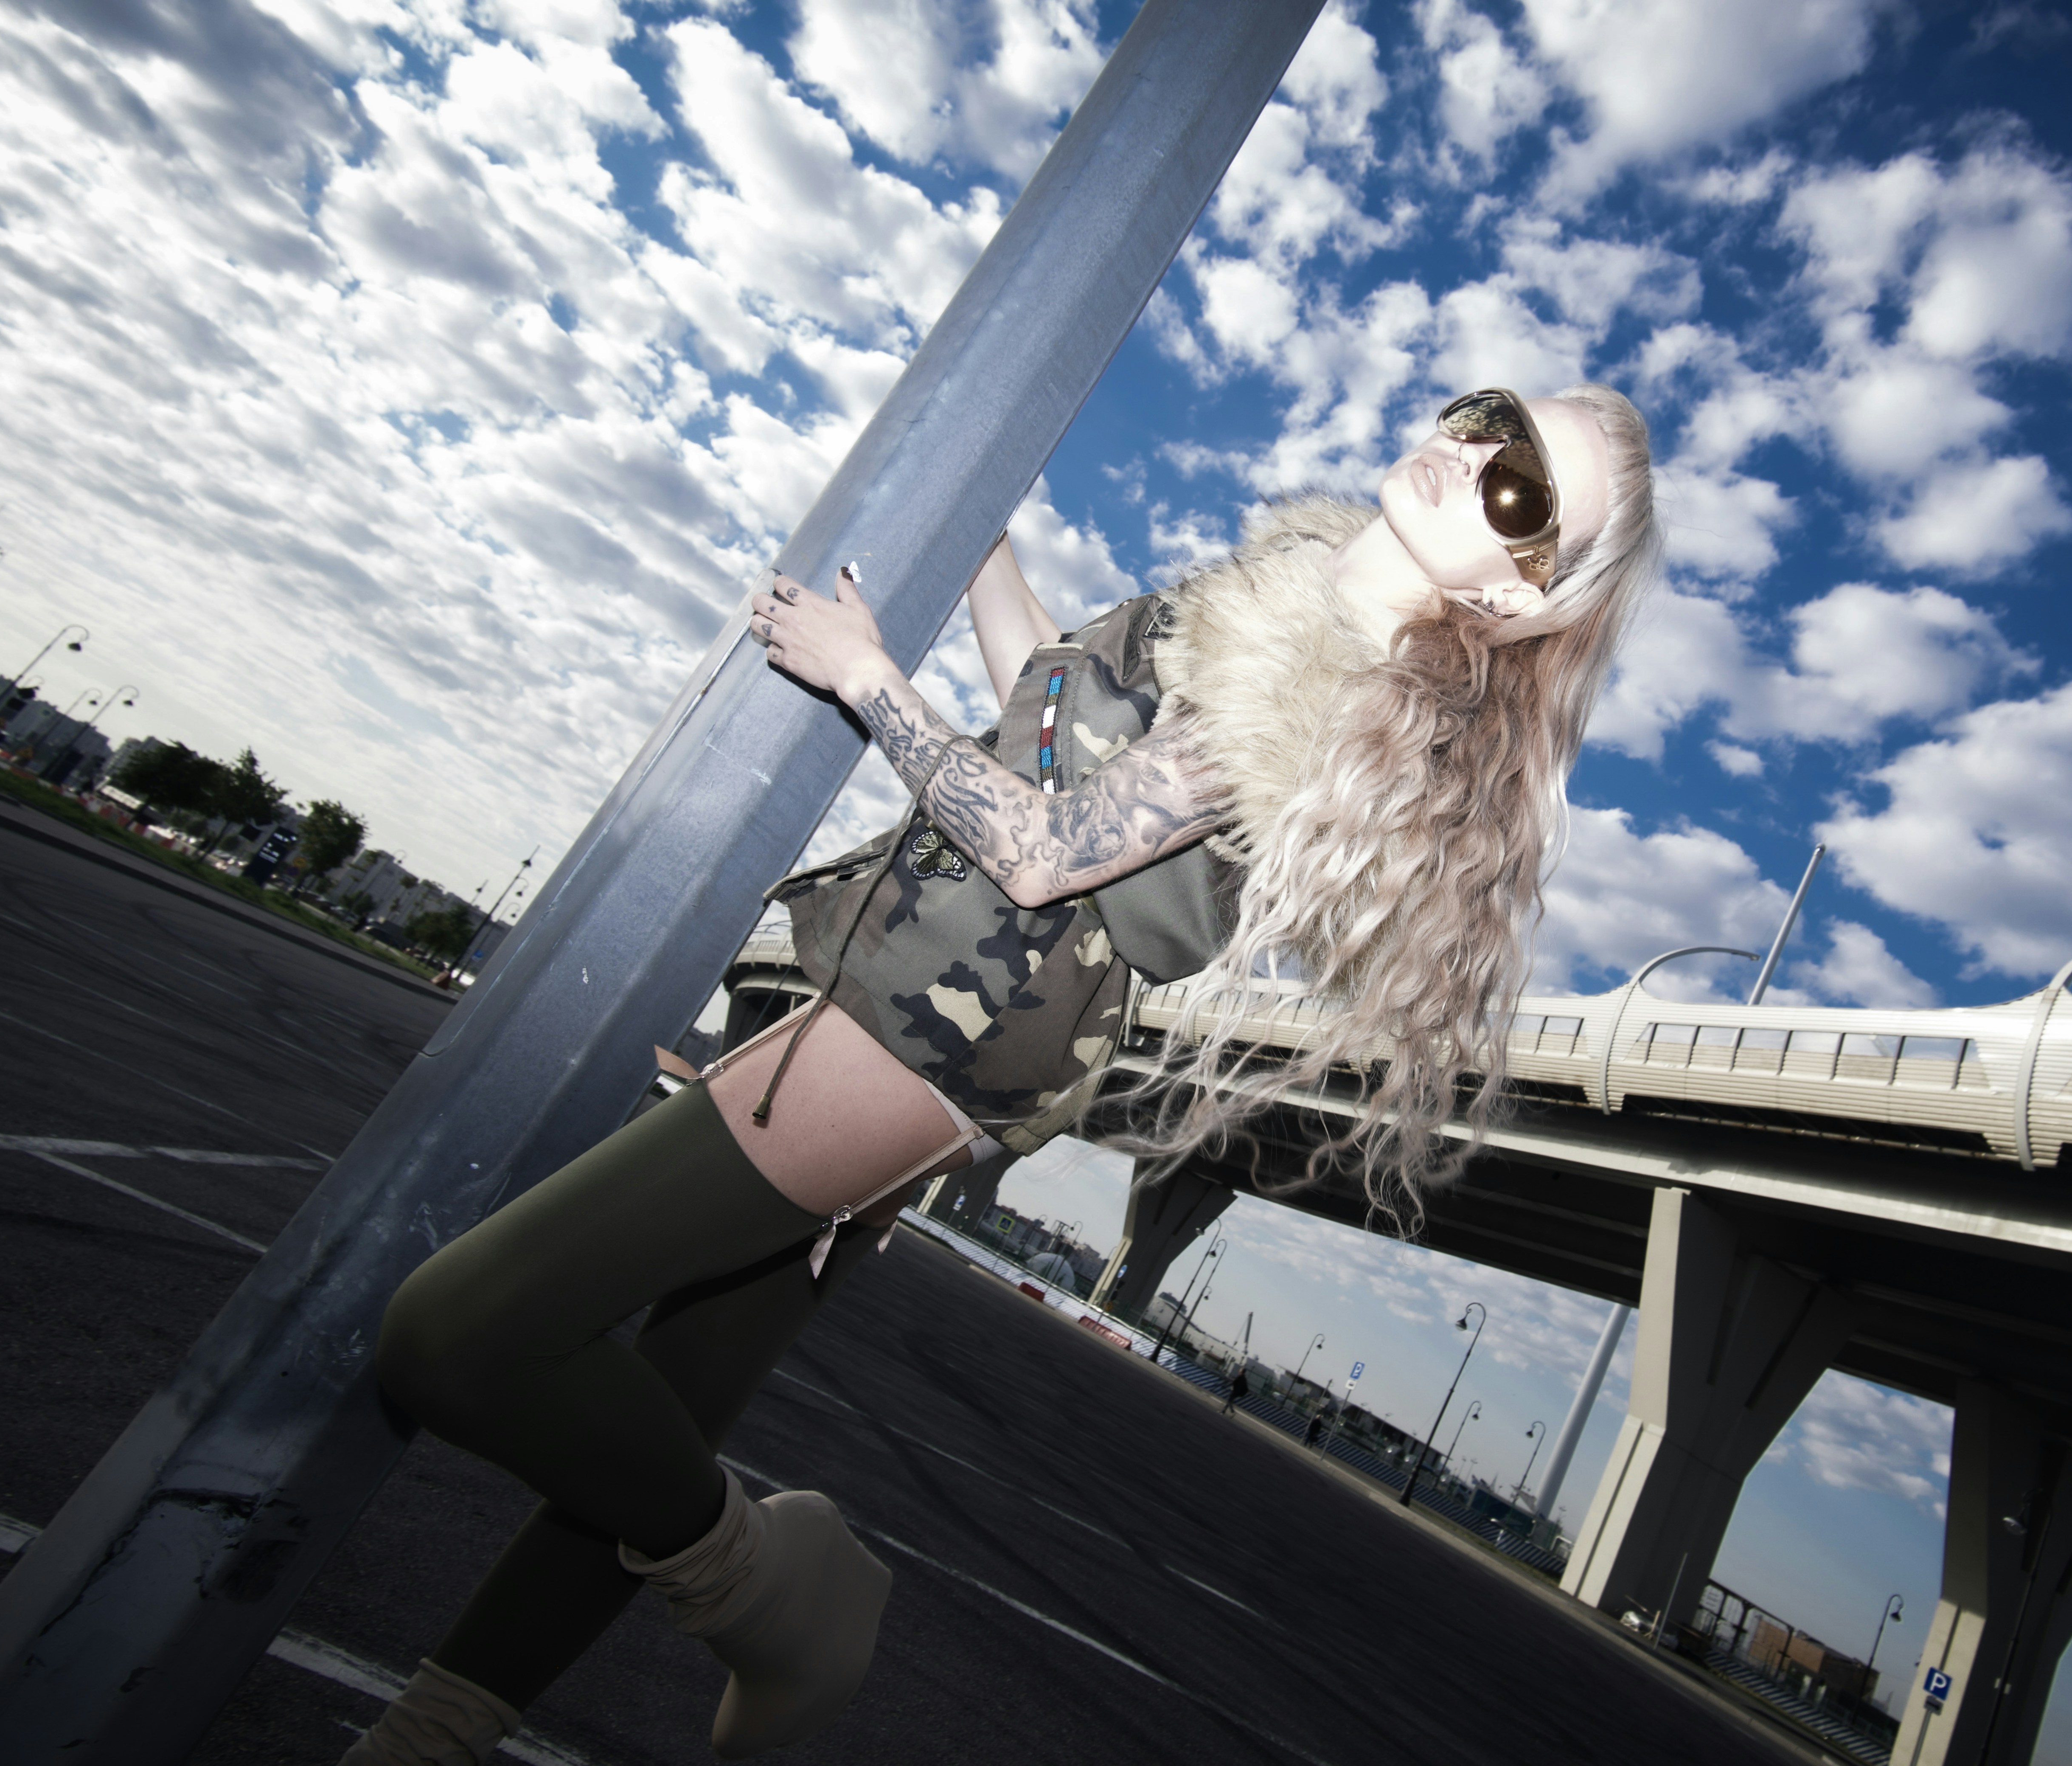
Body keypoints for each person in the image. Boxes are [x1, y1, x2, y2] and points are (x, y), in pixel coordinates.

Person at [345, 384, 1656, 1764]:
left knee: (457, 1334)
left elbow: (1042, 852)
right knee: (656, 1420)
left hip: (942, 1029)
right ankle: (441, 1730)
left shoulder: (1333, 693)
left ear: (1520, 602)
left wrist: (863, 677)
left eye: (1520, 491)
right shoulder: (1273, 605)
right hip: (909, 987)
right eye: (1483, 415)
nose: (1467, 456)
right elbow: (1048, 720)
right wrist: (989, 558)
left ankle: (777, 1592)